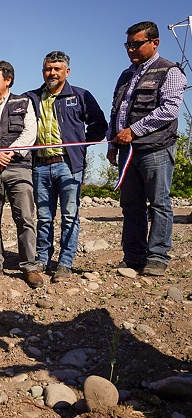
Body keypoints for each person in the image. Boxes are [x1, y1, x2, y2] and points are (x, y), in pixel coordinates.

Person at [106, 21, 187, 276]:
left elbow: (169, 110)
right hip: (126, 153)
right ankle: (133, 256)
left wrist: (134, 131)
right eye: (127, 44)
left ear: (155, 43)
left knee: (159, 203)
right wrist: (112, 142)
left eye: (136, 44)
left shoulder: (170, 71)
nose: (130, 49)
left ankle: (157, 257)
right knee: (131, 206)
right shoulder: (125, 75)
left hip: (155, 150)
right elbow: (116, 112)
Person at [25, 51, 108, 282]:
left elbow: (99, 124)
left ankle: (65, 262)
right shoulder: (31, 98)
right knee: (43, 216)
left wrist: (81, 148)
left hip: (68, 165)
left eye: (56, 69)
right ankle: (43, 258)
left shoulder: (80, 96)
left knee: (70, 216)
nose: (51, 73)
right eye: (47, 69)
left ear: (67, 71)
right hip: (40, 165)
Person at [0, 59, 45, 288]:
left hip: (18, 168)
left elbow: (30, 133)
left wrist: (7, 154)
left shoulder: (24, 102)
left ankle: (29, 266)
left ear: (8, 79)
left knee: (25, 219)